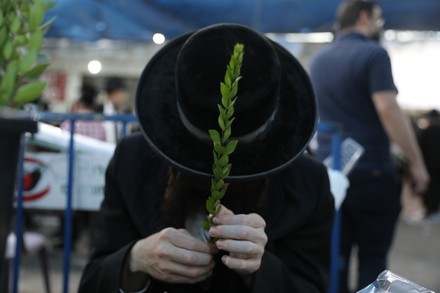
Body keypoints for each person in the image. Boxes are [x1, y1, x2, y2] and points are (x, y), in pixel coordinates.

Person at [78, 23, 335, 293]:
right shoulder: (133, 161)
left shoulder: (307, 184)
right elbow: (93, 281)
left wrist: (260, 270)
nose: (219, 181)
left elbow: (311, 285)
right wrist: (135, 260)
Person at [309, 1, 429, 292]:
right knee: (372, 263)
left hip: (331, 176)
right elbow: (387, 107)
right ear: (364, 17)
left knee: (335, 258)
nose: (380, 24)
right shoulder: (373, 54)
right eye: (378, 18)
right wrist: (417, 162)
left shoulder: (319, 60)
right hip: (372, 174)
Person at [417, 109, 440, 221]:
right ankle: (433, 211)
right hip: (434, 167)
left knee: (429, 189)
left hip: (428, 166)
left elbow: (420, 149)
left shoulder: (425, 132)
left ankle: (430, 210)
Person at [98, 77, 130, 143]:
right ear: (109, 95)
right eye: (118, 93)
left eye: (122, 93)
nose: (122, 96)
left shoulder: (125, 112)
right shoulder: (100, 110)